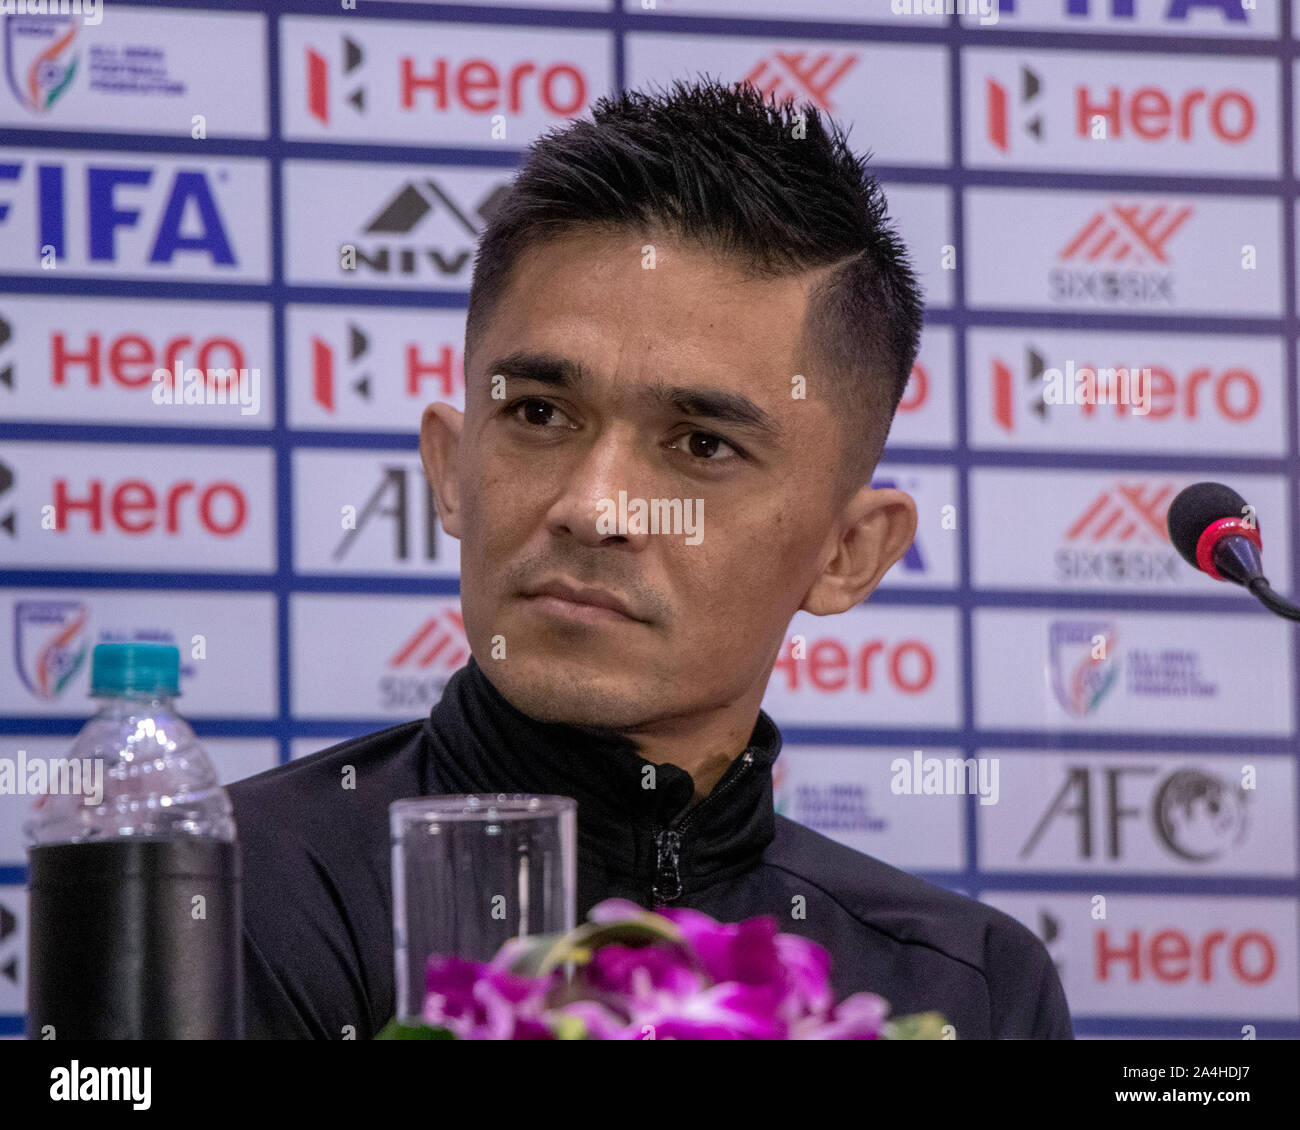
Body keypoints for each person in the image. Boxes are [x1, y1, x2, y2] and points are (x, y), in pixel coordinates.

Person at [229, 76, 1072, 1040]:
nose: (593, 508)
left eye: (702, 445)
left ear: (848, 554)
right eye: (538, 414)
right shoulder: (223, 892)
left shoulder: (971, 986)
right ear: (450, 470)